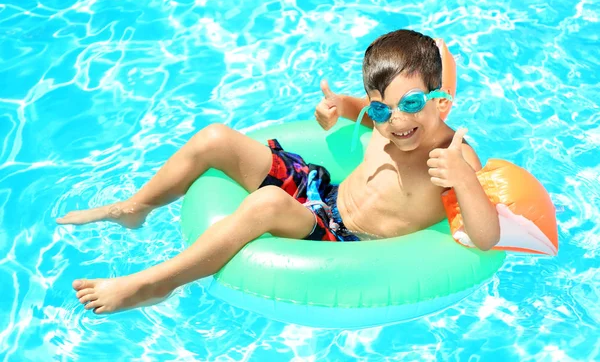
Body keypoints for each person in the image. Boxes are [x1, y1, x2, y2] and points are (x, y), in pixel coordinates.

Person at [57, 29, 501, 314]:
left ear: (440, 101)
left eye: (411, 104)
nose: (396, 122)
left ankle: (153, 283)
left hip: (344, 239)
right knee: (214, 137)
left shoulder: (453, 157)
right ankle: (137, 207)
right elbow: (357, 107)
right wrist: (336, 110)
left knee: (267, 203)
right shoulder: (384, 114)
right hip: (323, 192)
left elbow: (486, 238)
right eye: (383, 108)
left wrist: (462, 180)